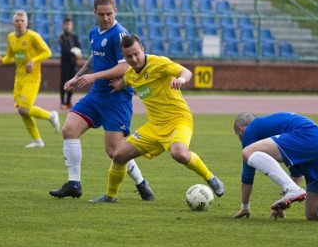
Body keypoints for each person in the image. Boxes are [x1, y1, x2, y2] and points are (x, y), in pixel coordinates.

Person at [85, 34, 225, 203]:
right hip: (154, 126)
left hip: (179, 120)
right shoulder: (130, 74)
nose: (134, 59)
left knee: (179, 153)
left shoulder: (159, 63)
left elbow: (185, 72)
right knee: (119, 156)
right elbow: (128, 81)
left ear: (142, 49)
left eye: (137, 53)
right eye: (129, 56)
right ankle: (110, 196)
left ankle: (210, 178)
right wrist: (118, 85)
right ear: (124, 57)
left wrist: (180, 79)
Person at [49, 0, 154, 202]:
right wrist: (77, 77)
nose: (106, 18)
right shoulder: (93, 33)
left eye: (109, 13)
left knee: (114, 151)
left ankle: (141, 183)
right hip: (96, 94)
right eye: (102, 14)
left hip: (117, 97)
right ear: (95, 13)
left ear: (115, 11)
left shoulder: (120, 35)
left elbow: (124, 66)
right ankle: (74, 183)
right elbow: (94, 57)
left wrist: (93, 76)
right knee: (69, 129)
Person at [232, 112, 318, 221]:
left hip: (308, 137)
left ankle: (291, 189)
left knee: (247, 152)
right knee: (314, 213)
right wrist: (284, 204)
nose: (242, 140)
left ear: (241, 130)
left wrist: (245, 207)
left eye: (240, 137)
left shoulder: (250, 129)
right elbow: (296, 173)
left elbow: (248, 174)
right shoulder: (278, 130)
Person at [0, 10, 59, 148]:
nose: (19, 23)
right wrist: (2, 61)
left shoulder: (33, 36)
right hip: (19, 78)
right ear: (13, 23)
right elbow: (10, 56)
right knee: (21, 110)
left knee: (24, 109)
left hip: (32, 77)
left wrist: (33, 60)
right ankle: (37, 141)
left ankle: (51, 116)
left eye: (22, 21)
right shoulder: (10, 37)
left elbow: (47, 52)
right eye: (17, 21)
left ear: (26, 22)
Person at [58, 16, 82, 110]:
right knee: (63, 82)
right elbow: (64, 50)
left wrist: (79, 53)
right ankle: (62, 102)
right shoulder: (61, 37)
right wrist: (74, 53)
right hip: (65, 63)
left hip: (73, 63)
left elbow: (79, 47)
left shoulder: (74, 37)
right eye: (66, 24)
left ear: (71, 25)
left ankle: (68, 102)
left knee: (73, 82)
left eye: (69, 24)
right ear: (63, 25)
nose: (68, 26)